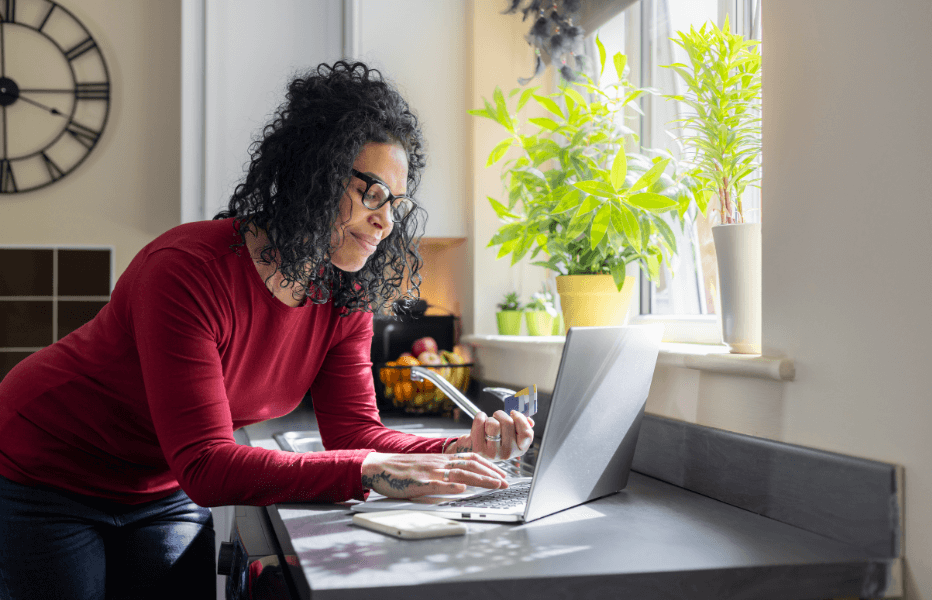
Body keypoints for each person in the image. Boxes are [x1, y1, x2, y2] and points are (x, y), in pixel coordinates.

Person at [0, 60, 533, 600]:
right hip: (44, 471)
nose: (387, 221)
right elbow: (208, 464)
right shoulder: (187, 269)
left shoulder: (344, 294)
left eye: (396, 204)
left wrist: (456, 451)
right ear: (313, 175)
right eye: (372, 193)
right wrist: (371, 470)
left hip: (160, 488)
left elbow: (355, 436)